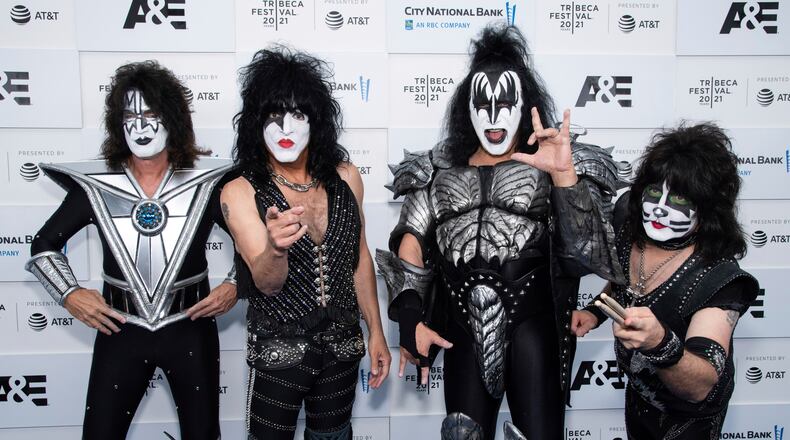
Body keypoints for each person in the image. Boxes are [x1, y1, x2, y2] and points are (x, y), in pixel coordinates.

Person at [377, 24, 623, 440]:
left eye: (505, 103)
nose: (493, 115)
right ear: (467, 108)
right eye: (483, 103)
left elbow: (587, 254)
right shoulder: (437, 170)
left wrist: (564, 176)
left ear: (524, 105)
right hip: (462, 329)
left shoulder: (553, 161)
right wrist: (411, 318)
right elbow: (411, 242)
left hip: (534, 326)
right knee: (463, 434)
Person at [25, 61, 237, 440]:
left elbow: (255, 243)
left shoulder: (207, 181)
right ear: (117, 124)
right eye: (129, 117)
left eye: (150, 115)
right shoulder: (96, 185)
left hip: (190, 327)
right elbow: (44, 244)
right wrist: (69, 293)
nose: (139, 127)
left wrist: (236, 285)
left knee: (203, 435)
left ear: (173, 118)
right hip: (121, 328)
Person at [221, 46, 391, 440]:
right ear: (256, 124)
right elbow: (266, 283)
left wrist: (376, 331)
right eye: (273, 116)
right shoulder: (240, 191)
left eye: (297, 115)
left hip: (343, 349)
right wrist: (276, 248)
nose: (285, 128)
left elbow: (359, 258)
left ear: (316, 121)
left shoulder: (346, 176)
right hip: (279, 355)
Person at [572, 123, 759, 439]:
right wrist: (595, 311)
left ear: (707, 210)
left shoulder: (719, 278)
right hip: (640, 399)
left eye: (680, 200)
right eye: (656, 192)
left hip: (689, 421)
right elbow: (629, 282)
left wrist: (660, 343)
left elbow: (700, 385)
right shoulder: (630, 222)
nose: (660, 208)